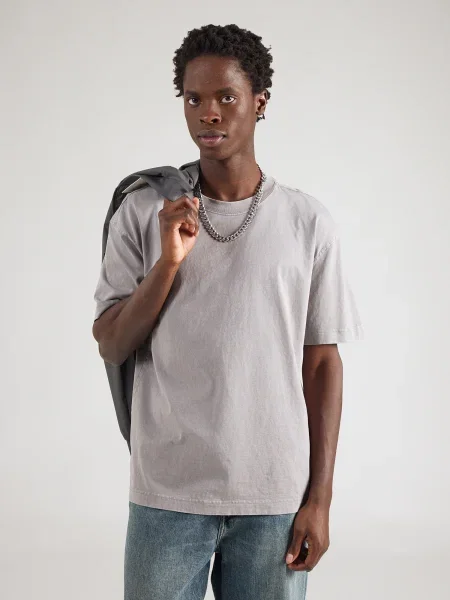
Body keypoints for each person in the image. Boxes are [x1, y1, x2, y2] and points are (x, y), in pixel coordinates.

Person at [92, 23, 363, 600]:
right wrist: (168, 262)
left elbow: (322, 365)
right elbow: (111, 342)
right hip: (168, 493)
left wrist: (320, 498)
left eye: (226, 97)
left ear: (260, 102)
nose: (208, 113)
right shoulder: (145, 208)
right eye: (193, 99)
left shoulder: (307, 222)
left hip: (274, 496)